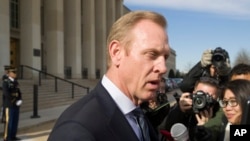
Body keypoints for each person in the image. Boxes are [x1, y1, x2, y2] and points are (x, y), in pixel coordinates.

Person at [48, 10, 170, 141]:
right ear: (117, 52)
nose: (163, 68)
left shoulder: (137, 114)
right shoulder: (76, 132)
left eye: (165, 57)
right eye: (152, 54)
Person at [163, 77, 220, 141]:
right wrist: (179, 111)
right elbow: (166, 129)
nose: (202, 99)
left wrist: (206, 129)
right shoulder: (186, 109)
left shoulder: (221, 118)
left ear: (216, 100)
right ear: (193, 93)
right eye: (200, 94)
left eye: (208, 96)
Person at [2, 67, 22, 141]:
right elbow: (6, 93)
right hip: (9, 104)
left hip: (16, 105)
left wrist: (20, 99)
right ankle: (7, 137)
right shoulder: (5, 82)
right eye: (14, 72)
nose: (15, 74)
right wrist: (14, 101)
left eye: (15, 72)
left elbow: (18, 92)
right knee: (9, 122)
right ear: (9, 73)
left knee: (15, 121)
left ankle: (13, 136)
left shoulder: (15, 82)